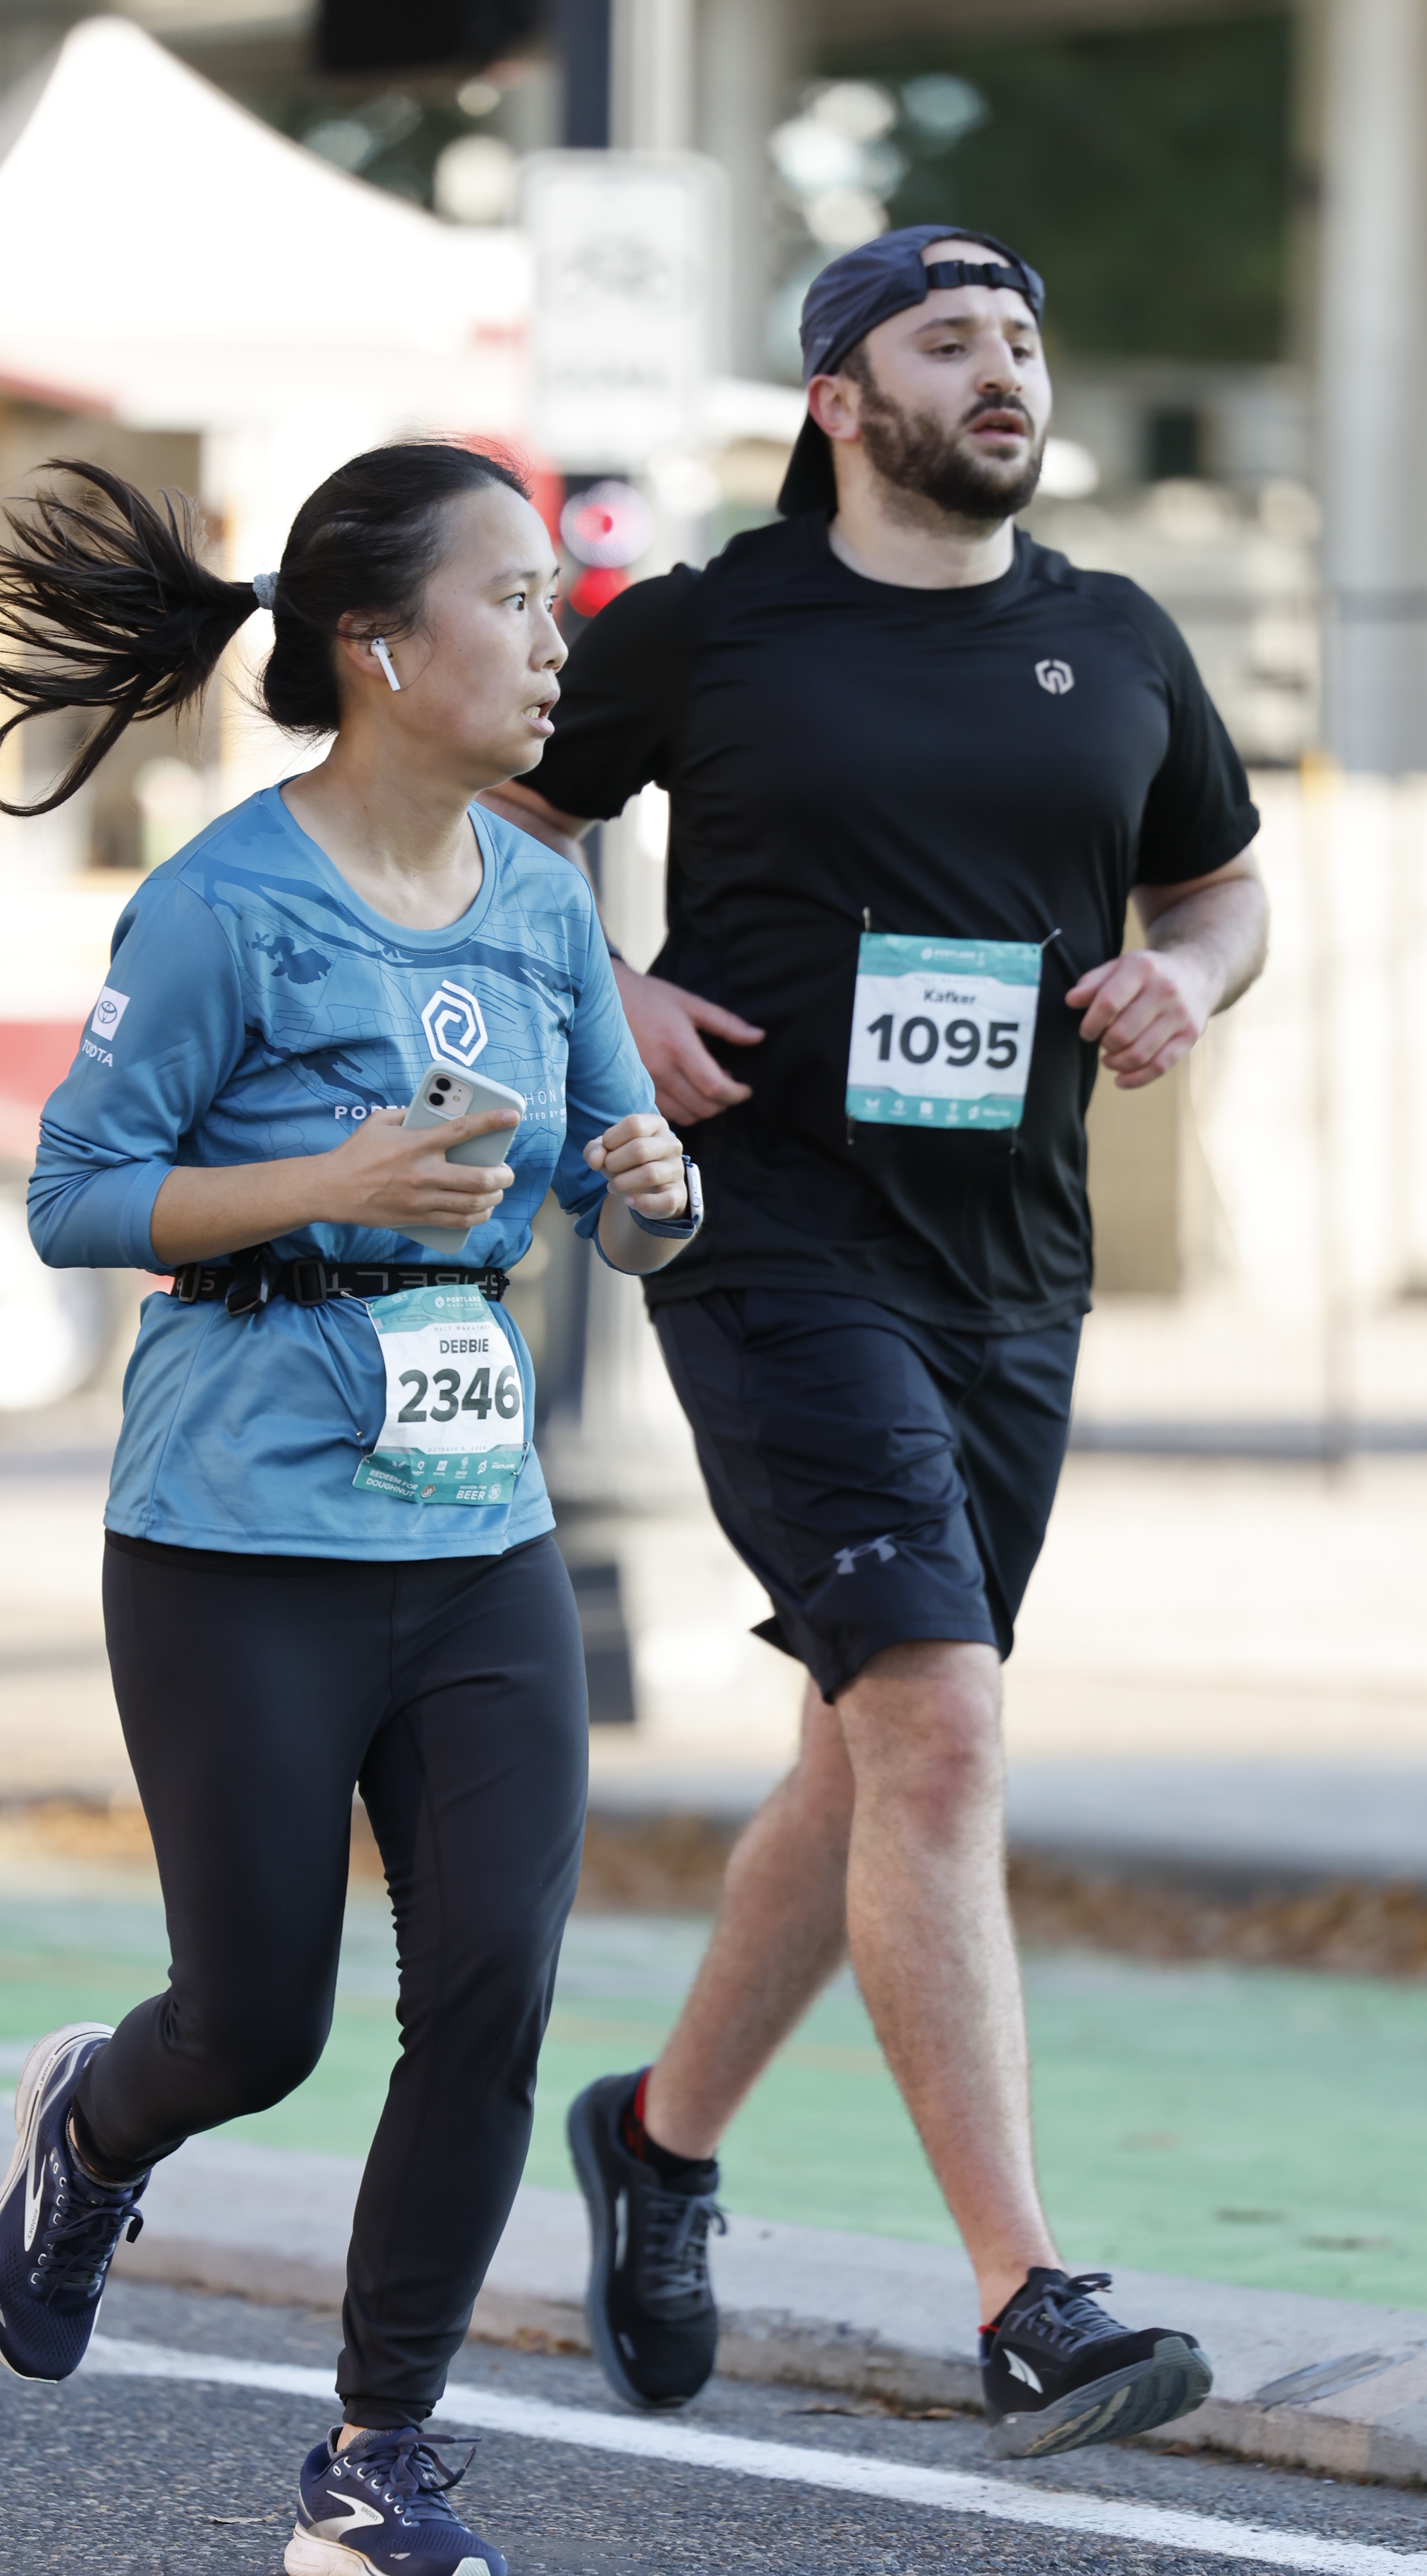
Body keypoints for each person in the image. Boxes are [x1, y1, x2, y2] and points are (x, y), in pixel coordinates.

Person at [488, 226, 1270, 2462]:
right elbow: (499, 838)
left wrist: (1184, 977)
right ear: (838, 398)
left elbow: (1217, 886)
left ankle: (653, 2135)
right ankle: (1027, 2297)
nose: (1002, 370)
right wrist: (613, 997)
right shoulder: (706, 626)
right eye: (948, 342)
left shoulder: (1116, 639)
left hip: (1010, 1271)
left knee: (865, 1751)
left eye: (1019, 338)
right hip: (771, 1239)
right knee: (935, 1724)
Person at [0, 444, 695, 2576]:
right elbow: (72, 1196)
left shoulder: (543, 897)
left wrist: (657, 1195)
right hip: (236, 1531)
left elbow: (620, 1196)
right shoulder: (221, 901)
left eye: (552, 602)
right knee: (254, 2021)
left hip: (473, 1527)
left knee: (490, 1989)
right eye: (512, 600)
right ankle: (93, 2125)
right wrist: (325, 1183)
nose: (554, 641)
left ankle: (380, 2456)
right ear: (376, 645)